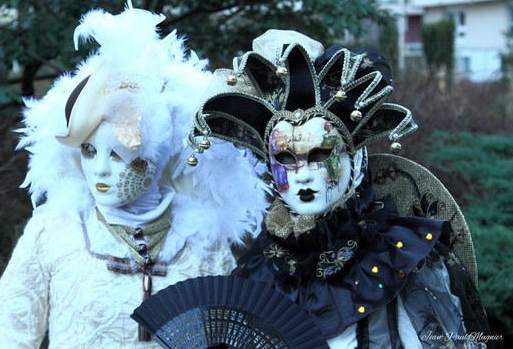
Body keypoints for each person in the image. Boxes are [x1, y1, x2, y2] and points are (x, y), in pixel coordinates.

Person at [0, 1, 268, 348]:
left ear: (156, 155)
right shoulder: (54, 232)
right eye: (89, 150)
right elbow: (5, 338)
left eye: (119, 154)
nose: (99, 169)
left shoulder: (202, 241)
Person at [187, 29, 490, 348]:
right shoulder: (259, 272)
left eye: (319, 155)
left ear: (354, 159)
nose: (302, 175)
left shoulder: (397, 260)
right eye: (285, 159)